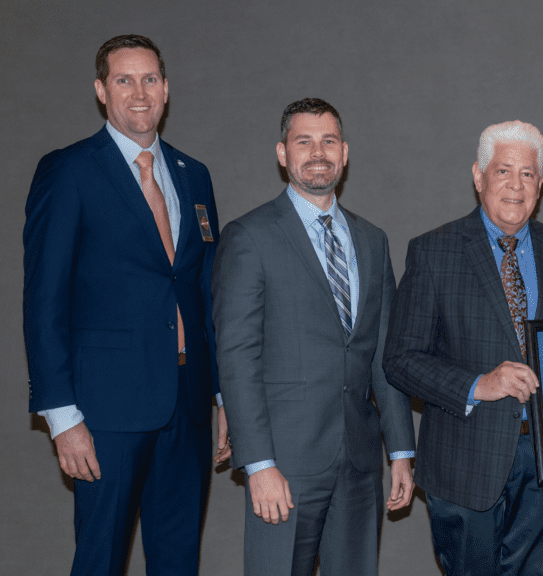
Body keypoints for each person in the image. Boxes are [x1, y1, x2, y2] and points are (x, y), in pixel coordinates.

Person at [23, 34, 229, 575]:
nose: (140, 92)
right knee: (100, 560)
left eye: (151, 79)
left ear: (166, 88)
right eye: (124, 79)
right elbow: (43, 298)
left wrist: (223, 392)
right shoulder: (68, 171)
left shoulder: (194, 174)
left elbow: (207, 292)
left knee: (179, 558)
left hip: (186, 403)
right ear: (100, 90)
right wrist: (61, 416)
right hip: (104, 410)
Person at [212, 98, 416, 576]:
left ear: (344, 153)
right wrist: (258, 464)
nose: (317, 152)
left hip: (360, 463)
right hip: (284, 465)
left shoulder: (372, 240)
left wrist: (401, 450)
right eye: (303, 141)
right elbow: (236, 356)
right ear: (283, 153)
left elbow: (385, 353)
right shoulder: (249, 236)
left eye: (328, 141)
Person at [383, 120, 543, 576]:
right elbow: (400, 360)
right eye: (503, 171)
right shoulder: (434, 252)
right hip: (464, 464)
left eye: (527, 173)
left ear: (542, 182)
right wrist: (480, 384)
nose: (515, 185)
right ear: (478, 176)